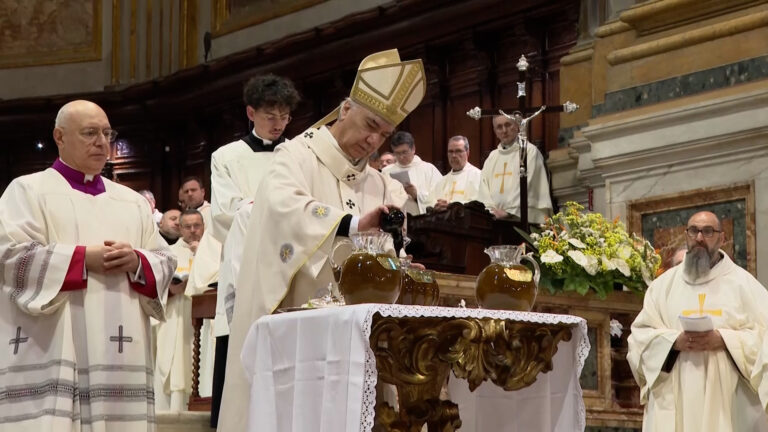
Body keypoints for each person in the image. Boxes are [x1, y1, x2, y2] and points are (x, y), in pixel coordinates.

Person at [218, 48, 421, 432]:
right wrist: (352, 224)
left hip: (358, 339)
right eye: (370, 124)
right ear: (345, 110)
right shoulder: (295, 156)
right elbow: (282, 209)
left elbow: (386, 250)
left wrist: (399, 267)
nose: (373, 140)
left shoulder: (378, 183)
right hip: (300, 334)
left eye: (384, 134)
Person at [0, 99, 175, 430]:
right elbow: (10, 256)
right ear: (59, 136)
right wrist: (82, 259)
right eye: (90, 133)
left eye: (107, 133)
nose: (102, 142)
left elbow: (165, 259)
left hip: (120, 352)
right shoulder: (27, 191)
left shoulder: (132, 202)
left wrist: (138, 261)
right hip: (53, 346)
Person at [207, 74, 300, 427]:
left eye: (284, 116)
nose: (278, 124)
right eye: (270, 116)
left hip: (291, 261)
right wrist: (269, 210)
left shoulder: (299, 154)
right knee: (241, 343)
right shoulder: (226, 156)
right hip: (245, 261)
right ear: (251, 113)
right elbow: (224, 212)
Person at [627, 211, 768, 432]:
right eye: (693, 231)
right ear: (686, 235)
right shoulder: (663, 287)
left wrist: (724, 340)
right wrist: (673, 342)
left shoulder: (744, 285)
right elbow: (639, 338)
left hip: (728, 400)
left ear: (722, 238)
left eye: (708, 231)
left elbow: (764, 340)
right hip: (675, 396)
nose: (700, 238)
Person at [153, 209, 203, 412]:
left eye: (197, 226)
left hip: (201, 319)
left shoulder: (212, 252)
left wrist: (200, 254)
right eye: (187, 226)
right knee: (176, 364)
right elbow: (155, 287)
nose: (192, 230)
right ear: (180, 228)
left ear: (203, 227)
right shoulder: (169, 253)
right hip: (175, 317)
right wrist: (171, 290)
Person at [479, 114, 552, 223]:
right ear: (495, 131)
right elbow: (483, 187)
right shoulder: (492, 157)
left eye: (508, 125)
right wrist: (489, 211)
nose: (504, 130)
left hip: (524, 219)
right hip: (495, 221)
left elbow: (529, 182)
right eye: (499, 127)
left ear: (517, 126)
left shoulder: (529, 151)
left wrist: (509, 212)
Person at [382, 131, 441, 215]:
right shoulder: (386, 171)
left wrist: (416, 195)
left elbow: (439, 198)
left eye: (404, 152)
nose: (401, 157)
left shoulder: (429, 169)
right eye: (397, 153)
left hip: (420, 219)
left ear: (413, 149)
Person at [426, 135, 483, 211]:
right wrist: (436, 207)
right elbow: (430, 204)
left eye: (458, 151)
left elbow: (479, 204)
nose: (453, 155)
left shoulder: (478, 176)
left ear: (467, 153)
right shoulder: (442, 181)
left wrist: (451, 206)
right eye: (450, 151)